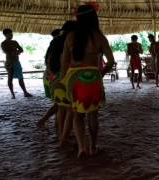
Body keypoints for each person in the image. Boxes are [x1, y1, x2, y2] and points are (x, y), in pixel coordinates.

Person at [61, 4, 115, 157]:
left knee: (77, 114)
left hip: (73, 78)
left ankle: (81, 148)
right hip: (93, 78)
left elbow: (64, 61)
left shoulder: (70, 36)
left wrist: (65, 80)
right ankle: (93, 146)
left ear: (78, 18)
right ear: (94, 18)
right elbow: (111, 61)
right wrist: (100, 74)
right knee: (92, 114)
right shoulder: (99, 36)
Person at [37, 22, 76, 133]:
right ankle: (61, 133)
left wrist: (52, 74)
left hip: (52, 75)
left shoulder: (55, 42)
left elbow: (47, 59)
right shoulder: (69, 42)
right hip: (62, 76)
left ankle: (57, 129)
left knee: (60, 105)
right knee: (65, 108)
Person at [1, 28, 32, 99]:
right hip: (9, 63)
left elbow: (21, 49)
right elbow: (8, 53)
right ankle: (12, 94)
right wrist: (17, 52)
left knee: (20, 78)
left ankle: (25, 92)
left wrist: (16, 52)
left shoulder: (15, 42)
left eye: (11, 34)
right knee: (10, 78)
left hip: (16, 62)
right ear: (5, 35)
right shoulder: (3, 43)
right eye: (9, 34)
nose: (11, 35)